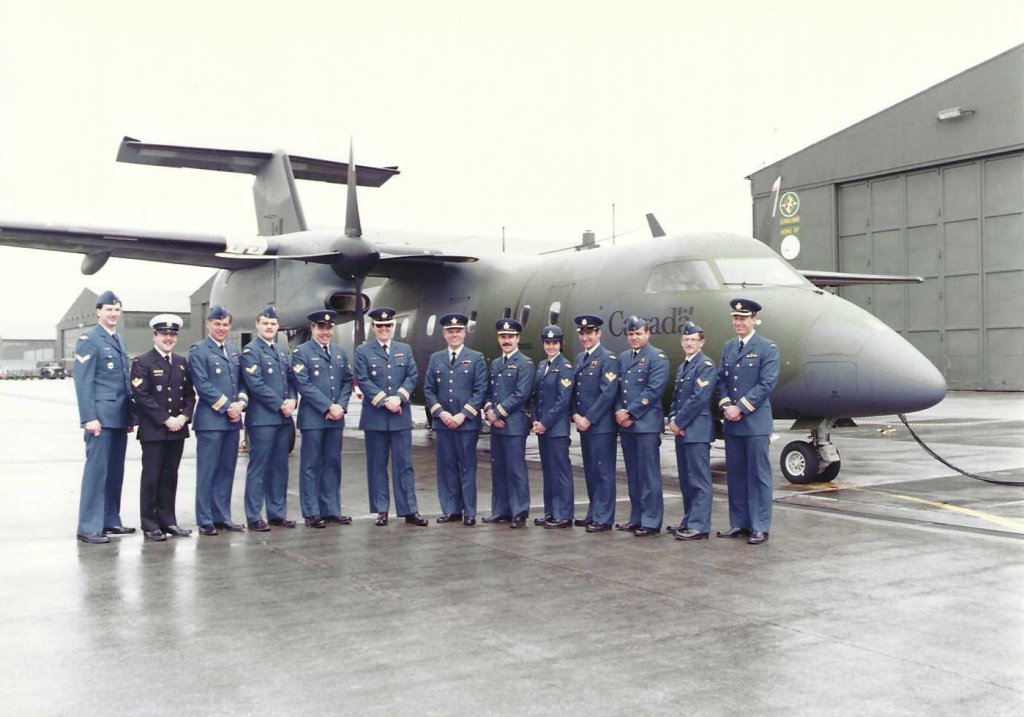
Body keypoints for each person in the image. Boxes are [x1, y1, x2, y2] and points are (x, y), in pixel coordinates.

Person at [72, 290, 136, 544]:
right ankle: (88, 526)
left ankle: (110, 520)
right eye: (108, 309)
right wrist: (89, 417)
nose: (113, 314)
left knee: (114, 472)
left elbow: (124, 381)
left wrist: (130, 416)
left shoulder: (118, 339)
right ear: (98, 311)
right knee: (97, 472)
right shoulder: (89, 339)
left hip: (118, 417)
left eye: (117, 310)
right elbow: (83, 381)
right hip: (100, 418)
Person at [716, 298, 780, 545]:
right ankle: (739, 523)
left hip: (754, 422)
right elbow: (721, 380)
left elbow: (766, 383)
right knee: (736, 475)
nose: (739, 322)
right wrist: (725, 405)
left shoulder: (767, 348)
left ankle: (760, 526)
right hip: (732, 423)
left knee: (758, 476)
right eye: (736, 318)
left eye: (743, 318)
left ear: (754, 319)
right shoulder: (729, 347)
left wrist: (740, 407)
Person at [355, 307, 427, 527]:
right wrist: (385, 399)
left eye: (388, 326)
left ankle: (409, 510)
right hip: (376, 416)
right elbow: (363, 378)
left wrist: (399, 398)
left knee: (404, 464)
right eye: (380, 326)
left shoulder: (404, 349)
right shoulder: (363, 351)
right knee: (377, 465)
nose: (384, 329)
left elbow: (412, 375)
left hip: (399, 416)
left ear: (392, 327)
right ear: (373, 328)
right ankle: (381, 509)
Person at [130, 313, 195, 542]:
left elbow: (189, 394)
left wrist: (185, 417)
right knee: (152, 477)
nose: (168, 338)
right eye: (164, 334)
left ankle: (168, 521)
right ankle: (149, 524)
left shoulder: (180, 362)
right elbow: (142, 396)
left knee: (170, 477)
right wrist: (166, 419)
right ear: (155, 336)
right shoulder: (142, 362)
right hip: (154, 431)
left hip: (177, 430)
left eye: (172, 334)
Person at [423, 313, 488, 526]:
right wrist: (441, 413)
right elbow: (429, 390)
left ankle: (469, 512)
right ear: (444, 334)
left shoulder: (476, 357)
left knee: (467, 468)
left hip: (466, 424)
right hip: (443, 423)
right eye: (450, 331)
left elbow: (480, 391)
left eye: (458, 331)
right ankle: (451, 510)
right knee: (446, 467)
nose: (454, 335)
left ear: (464, 333)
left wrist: (463, 414)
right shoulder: (436, 358)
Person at [291, 310, 354, 528]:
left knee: (332, 463)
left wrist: (341, 407)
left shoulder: (339, 352)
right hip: (314, 418)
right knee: (311, 465)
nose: (325, 332)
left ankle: (331, 509)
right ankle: (311, 512)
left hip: (336, 418)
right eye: (321, 328)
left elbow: (348, 381)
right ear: (313, 328)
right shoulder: (301, 352)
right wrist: (328, 406)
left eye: (329, 328)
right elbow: (303, 384)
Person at [189, 305, 248, 536]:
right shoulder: (199, 350)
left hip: (232, 421)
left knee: (227, 470)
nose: (221, 328)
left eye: (225, 324)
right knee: (208, 471)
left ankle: (222, 516)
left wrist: (240, 404)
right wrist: (226, 406)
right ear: (208, 324)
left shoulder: (234, 352)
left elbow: (242, 382)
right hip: (211, 421)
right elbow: (202, 384)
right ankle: (205, 519)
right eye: (217, 324)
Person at [241, 305, 297, 531]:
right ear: (257, 325)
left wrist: (293, 400)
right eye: (265, 323)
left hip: (283, 419)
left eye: (273, 324)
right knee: (259, 469)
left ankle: (277, 513)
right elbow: (255, 384)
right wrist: (279, 404)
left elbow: (290, 380)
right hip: (263, 419)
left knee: (280, 468)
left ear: (278, 326)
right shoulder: (250, 351)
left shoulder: (281, 350)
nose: (269, 327)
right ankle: (254, 515)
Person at [614, 315, 670, 537]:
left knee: (648, 475)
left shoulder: (657, 358)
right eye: (631, 334)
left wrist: (630, 412)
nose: (634, 337)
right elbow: (617, 389)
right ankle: (636, 517)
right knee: (634, 475)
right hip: (627, 425)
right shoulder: (624, 358)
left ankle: (651, 520)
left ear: (647, 334)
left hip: (645, 425)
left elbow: (653, 390)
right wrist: (619, 411)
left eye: (638, 333)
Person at [483, 319, 536, 528]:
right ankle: (501, 510)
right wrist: (488, 411)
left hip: (513, 425)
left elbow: (521, 394)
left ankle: (519, 511)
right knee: (499, 469)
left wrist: (497, 413)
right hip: (496, 425)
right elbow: (489, 392)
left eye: (510, 337)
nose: (506, 341)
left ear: (517, 339)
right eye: (503, 337)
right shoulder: (496, 364)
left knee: (516, 470)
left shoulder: (525, 364)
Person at [667, 323, 717, 541]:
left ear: (701, 342)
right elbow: (677, 398)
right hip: (683, 430)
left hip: (696, 430)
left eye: (693, 340)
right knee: (686, 480)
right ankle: (689, 520)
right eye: (685, 340)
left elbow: (699, 398)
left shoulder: (705, 365)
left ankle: (700, 525)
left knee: (699, 479)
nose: (688, 343)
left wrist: (679, 421)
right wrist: (671, 417)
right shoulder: (684, 366)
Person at [569, 314, 619, 533]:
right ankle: (593, 512)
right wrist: (575, 416)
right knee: (590, 471)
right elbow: (574, 391)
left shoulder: (608, 359)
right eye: (582, 333)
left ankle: (604, 517)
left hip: (601, 426)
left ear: (599, 333)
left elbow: (608, 394)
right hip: (584, 425)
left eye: (589, 333)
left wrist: (588, 418)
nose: (585, 337)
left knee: (603, 472)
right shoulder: (580, 358)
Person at [531, 325, 575, 528]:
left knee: (560, 472)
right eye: (547, 343)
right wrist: (535, 421)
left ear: (561, 344)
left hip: (556, 429)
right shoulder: (541, 366)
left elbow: (562, 400)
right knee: (548, 471)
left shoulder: (564, 367)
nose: (551, 346)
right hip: (542, 428)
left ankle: (564, 515)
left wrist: (545, 423)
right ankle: (550, 512)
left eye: (554, 343)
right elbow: (536, 397)